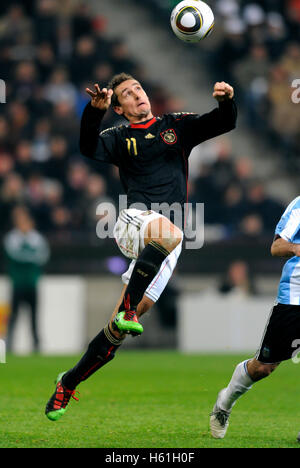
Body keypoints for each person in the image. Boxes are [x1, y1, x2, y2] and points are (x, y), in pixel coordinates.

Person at [45, 72, 237, 421]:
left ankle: (68, 381)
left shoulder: (175, 125)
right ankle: (128, 309)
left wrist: (226, 100)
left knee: (118, 331)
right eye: (127, 95)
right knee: (170, 234)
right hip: (135, 220)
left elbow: (224, 121)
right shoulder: (118, 137)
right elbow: (88, 147)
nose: (137, 95)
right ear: (119, 107)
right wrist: (93, 112)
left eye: (138, 89)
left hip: (165, 241)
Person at [210, 195, 300, 439]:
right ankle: (225, 400)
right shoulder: (299, 206)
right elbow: (277, 246)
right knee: (263, 368)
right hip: (295, 299)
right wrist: (296, 248)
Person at [4, 205, 50, 353]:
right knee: (13, 316)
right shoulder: (12, 238)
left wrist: (28, 258)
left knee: (33, 317)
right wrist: (31, 258)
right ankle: (9, 344)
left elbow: (43, 256)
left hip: (31, 283)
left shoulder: (36, 239)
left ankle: (36, 345)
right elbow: (15, 255)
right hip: (18, 283)